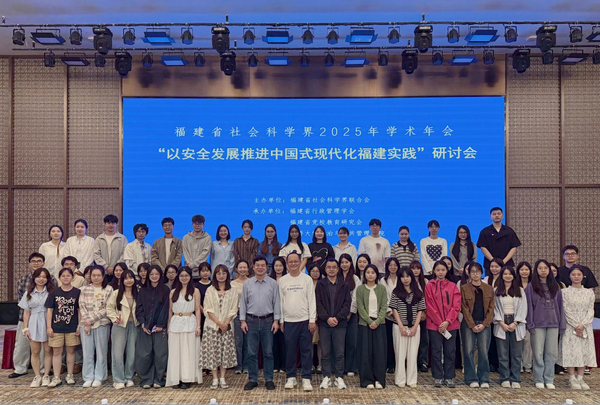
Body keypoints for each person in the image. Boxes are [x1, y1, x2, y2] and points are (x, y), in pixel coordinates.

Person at [240, 255, 281, 391]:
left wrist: (276, 320)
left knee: (268, 352)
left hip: (268, 321)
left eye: (263, 265)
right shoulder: (247, 284)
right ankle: (253, 379)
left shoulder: (273, 283)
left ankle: (269, 379)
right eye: (257, 265)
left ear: (266, 267)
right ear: (253, 267)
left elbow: (276, 303)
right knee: (251, 352)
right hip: (251, 321)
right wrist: (242, 320)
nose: (260, 267)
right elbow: (243, 303)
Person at [279, 252, 317, 391]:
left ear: (300, 262)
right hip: (289, 321)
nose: (293, 264)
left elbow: (311, 300)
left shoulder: (307, 279)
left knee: (306, 350)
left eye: (296, 261)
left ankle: (306, 378)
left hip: (305, 320)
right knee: (290, 350)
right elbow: (280, 301)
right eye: (291, 262)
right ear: (287, 264)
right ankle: (291, 377)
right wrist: (281, 320)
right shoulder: (282, 280)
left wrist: (312, 320)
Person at [526, 259, 566, 389]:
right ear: (536, 270)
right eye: (540, 268)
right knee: (538, 353)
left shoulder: (556, 286)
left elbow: (560, 307)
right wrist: (530, 324)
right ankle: (539, 378)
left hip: (553, 324)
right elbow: (529, 307)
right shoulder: (531, 287)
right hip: (537, 324)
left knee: (552, 353)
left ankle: (549, 379)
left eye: (545, 268)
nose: (543, 270)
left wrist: (562, 325)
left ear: (549, 270)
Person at [558, 265, 597, 390]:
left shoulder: (589, 292)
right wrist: (575, 325)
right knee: (571, 351)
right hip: (570, 326)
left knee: (583, 351)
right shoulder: (564, 292)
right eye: (573, 274)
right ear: (569, 276)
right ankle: (571, 377)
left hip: (585, 325)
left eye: (578, 274)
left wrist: (582, 324)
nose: (576, 277)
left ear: (583, 276)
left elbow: (591, 310)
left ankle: (580, 378)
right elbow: (565, 310)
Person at [10, 252, 47, 379]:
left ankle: (42, 369)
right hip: (25, 317)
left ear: (43, 263)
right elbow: (22, 301)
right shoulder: (23, 280)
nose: (36, 263)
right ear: (29, 263)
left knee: (43, 345)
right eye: (33, 261)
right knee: (22, 344)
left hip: (43, 318)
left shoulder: (50, 278)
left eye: (39, 261)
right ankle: (20, 368)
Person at [200, 265, 237, 389]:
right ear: (214, 275)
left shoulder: (232, 290)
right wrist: (219, 323)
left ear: (227, 275)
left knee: (224, 352)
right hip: (212, 326)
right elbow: (207, 309)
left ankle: (222, 378)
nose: (221, 276)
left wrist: (225, 323)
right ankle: (215, 378)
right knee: (213, 352)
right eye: (218, 273)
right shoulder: (210, 290)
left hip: (227, 327)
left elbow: (234, 308)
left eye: (224, 273)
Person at [425, 260, 461, 388]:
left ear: (447, 271)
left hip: (451, 325)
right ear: (434, 271)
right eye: (438, 270)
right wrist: (440, 323)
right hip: (434, 325)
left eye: (443, 270)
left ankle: (449, 377)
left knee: (450, 351)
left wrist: (447, 321)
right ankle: (438, 377)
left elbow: (456, 306)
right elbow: (429, 306)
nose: (440, 272)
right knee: (436, 351)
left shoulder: (453, 286)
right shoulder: (429, 286)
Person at [315, 258, 350, 390]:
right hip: (324, 324)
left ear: (338, 269)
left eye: (334, 267)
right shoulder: (320, 284)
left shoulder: (344, 284)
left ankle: (339, 377)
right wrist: (327, 318)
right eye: (329, 267)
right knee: (325, 352)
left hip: (340, 324)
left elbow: (347, 304)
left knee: (339, 352)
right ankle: (326, 377)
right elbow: (318, 303)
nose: (331, 269)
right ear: (325, 269)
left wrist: (337, 318)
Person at [389, 266, 425, 388]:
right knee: (400, 354)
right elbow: (394, 309)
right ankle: (400, 379)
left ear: (411, 277)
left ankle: (411, 380)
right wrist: (401, 326)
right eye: (403, 277)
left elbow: (420, 310)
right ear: (399, 278)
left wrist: (415, 327)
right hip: (399, 327)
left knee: (413, 354)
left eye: (408, 276)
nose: (405, 279)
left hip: (414, 327)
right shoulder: (396, 292)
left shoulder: (418, 293)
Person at [166, 266, 203, 389]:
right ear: (178, 277)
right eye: (182, 276)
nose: (184, 278)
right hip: (175, 322)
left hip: (189, 322)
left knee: (188, 351)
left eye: (186, 275)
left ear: (190, 277)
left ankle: (187, 378)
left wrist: (198, 326)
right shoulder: (173, 292)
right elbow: (170, 311)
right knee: (175, 352)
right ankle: (175, 378)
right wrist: (168, 326)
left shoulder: (195, 291)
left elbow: (197, 310)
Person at [461, 262, 495, 389]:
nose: (475, 274)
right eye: (472, 272)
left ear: (481, 273)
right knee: (468, 351)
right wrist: (472, 324)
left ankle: (484, 378)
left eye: (477, 272)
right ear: (469, 274)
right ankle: (471, 378)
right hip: (468, 324)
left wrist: (484, 324)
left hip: (484, 324)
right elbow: (463, 308)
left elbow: (491, 307)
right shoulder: (464, 288)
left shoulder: (489, 288)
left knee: (483, 351)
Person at [45, 268, 81, 388]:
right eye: (63, 276)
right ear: (59, 278)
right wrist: (49, 327)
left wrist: (79, 325)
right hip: (56, 327)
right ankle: (56, 377)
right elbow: (49, 311)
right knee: (56, 352)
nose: (66, 278)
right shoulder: (54, 292)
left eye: (68, 275)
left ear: (72, 277)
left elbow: (79, 310)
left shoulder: (77, 292)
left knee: (71, 351)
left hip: (72, 327)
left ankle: (70, 375)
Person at [136, 265, 170, 389]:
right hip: (145, 327)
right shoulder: (143, 290)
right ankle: (146, 380)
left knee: (160, 355)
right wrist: (143, 323)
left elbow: (166, 308)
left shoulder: (165, 289)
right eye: (151, 274)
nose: (154, 276)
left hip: (160, 327)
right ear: (148, 276)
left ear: (160, 275)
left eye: (156, 274)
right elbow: (139, 308)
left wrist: (161, 325)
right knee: (144, 355)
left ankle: (158, 379)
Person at [19, 268, 54, 388]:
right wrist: (26, 328)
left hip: (48, 322)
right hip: (34, 323)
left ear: (47, 279)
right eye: (39, 276)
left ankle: (46, 375)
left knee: (48, 351)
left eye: (44, 277)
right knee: (35, 352)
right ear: (34, 278)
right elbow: (26, 312)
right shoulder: (28, 293)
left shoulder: (51, 292)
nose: (41, 279)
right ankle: (37, 375)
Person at [79, 265, 113, 387]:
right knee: (87, 352)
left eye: (99, 275)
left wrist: (91, 320)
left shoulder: (108, 289)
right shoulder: (84, 289)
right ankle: (88, 377)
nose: (96, 278)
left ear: (103, 276)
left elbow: (107, 308)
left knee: (101, 351)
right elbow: (82, 306)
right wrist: (87, 321)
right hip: (86, 324)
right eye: (94, 275)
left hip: (102, 323)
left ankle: (99, 377)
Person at [494, 266, 527, 389]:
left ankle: (515, 378)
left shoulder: (520, 290)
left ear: (514, 275)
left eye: (510, 274)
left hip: (516, 322)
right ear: (501, 276)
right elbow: (494, 308)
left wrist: (515, 322)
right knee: (503, 354)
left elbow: (524, 308)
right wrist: (501, 322)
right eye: (505, 274)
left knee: (516, 354)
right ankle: (504, 378)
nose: (507, 276)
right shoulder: (496, 290)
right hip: (501, 322)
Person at [356, 264, 388, 389]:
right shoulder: (360, 289)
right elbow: (360, 307)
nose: (370, 275)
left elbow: (384, 306)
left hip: (379, 324)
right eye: (368, 272)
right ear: (364, 274)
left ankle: (379, 379)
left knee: (379, 353)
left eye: (373, 272)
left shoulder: (382, 289)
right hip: (365, 324)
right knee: (365, 353)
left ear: (376, 275)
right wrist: (370, 321)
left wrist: (377, 321)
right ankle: (367, 380)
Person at [107, 269, 138, 389]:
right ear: (122, 280)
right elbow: (109, 308)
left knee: (132, 353)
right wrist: (115, 318)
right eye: (126, 278)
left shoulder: (138, 293)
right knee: (117, 353)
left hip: (134, 325)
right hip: (119, 325)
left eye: (131, 277)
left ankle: (129, 377)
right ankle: (118, 379)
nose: (129, 280)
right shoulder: (116, 293)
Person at [477, 207, 521, 272]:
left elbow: (514, 247)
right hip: (490, 264)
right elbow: (483, 247)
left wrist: (503, 261)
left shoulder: (509, 231)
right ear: (490, 216)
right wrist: (493, 261)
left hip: (506, 263)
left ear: (502, 216)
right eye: (494, 214)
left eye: (499, 214)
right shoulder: (485, 231)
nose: (496, 215)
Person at [339, 253, 361, 376]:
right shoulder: (336, 276)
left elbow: (356, 297)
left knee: (352, 341)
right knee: (339, 342)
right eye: (342, 262)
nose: (344, 265)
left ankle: (351, 367)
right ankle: (340, 367)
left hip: (351, 315)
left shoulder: (355, 278)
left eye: (346, 262)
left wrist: (350, 312)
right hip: (338, 314)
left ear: (351, 263)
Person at [93, 214, 128, 280]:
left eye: (113, 223)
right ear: (105, 224)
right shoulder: (99, 239)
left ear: (116, 224)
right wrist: (106, 267)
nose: (111, 225)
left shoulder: (122, 238)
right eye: (108, 223)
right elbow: (96, 254)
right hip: (103, 272)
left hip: (118, 272)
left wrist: (116, 267)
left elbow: (125, 254)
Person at [483, 257, 503, 372]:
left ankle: (500, 364)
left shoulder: (504, 279)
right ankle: (491, 363)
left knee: (499, 340)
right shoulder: (486, 279)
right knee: (489, 340)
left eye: (496, 266)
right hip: (488, 313)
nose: (494, 269)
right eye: (492, 266)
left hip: (500, 312)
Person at [411, 260, 430, 373]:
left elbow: (428, 298)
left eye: (418, 268)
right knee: (412, 339)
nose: (416, 271)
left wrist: (424, 312)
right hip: (411, 315)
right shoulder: (407, 281)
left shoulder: (425, 281)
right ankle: (412, 362)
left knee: (424, 339)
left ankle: (423, 362)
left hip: (424, 315)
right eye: (413, 268)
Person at [382, 258, 400, 374]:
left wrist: (397, 311)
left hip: (401, 314)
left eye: (395, 265)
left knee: (399, 341)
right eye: (390, 265)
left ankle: (399, 364)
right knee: (389, 340)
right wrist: (390, 310)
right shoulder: (383, 280)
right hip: (388, 315)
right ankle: (390, 365)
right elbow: (384, 297)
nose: (393, 267)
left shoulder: (401, 278)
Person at [231, 260, 250, 374]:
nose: (242, 269)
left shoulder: (252, 282)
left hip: (249, 314)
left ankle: (247, 365)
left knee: (248, 341)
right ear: (236, 269)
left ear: (248, 269)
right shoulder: (232, 284)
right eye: (240, 267)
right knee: (238, 341)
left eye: (244, 267)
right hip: (237, 313)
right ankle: (238, 365)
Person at [269, 256, 287, 373]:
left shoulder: (288, 279)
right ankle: (275, 365)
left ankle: (284, 365)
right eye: (276, 265)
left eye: (280, 265)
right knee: (273, 341)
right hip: (271, 313)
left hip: (285, 312)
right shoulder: (269, 280)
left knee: (284, 340)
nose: (278, 268)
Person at [182, 214, 212, 279]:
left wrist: (194, 265)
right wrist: (190, 265)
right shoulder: (185, 238)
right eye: (195, 224)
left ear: (203, 225)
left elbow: (205, 253)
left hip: (201, 272)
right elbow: (185, 252)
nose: (197, 226)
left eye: (200, 224)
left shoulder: (207, 238)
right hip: (188, 271)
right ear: (192, 224)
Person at [308, 264, 323, 373]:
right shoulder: (306, 283)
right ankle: (310, 365)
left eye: (317, 271)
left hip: (321, 317)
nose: (315, 273)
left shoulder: (323, 284)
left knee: (320, 343)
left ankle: (320, 365)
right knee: (309, 343)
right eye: (313, 271)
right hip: (309, 317)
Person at [194, 262, 212, 338]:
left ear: (210, 272)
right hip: (200, 314)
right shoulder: (195, 286)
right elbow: (196, 302)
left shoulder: (214, 285)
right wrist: (204, 311)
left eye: (207, 271)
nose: (205, 273)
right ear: (199, 272)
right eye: (203, 271)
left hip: (212, 314)